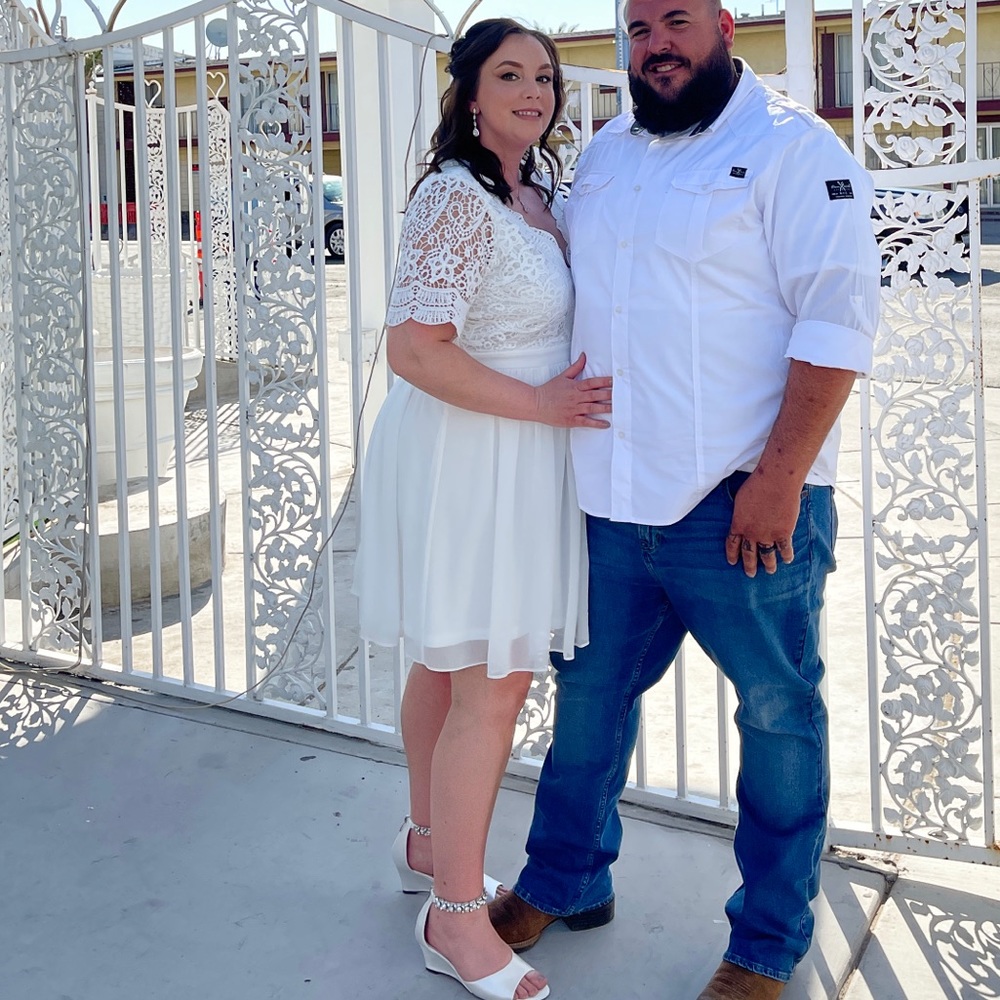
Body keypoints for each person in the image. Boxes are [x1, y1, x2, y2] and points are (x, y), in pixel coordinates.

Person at [488, 1, 881, 997]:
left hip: (738, 505)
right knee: (586, 703)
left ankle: (764, 942)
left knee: (778, 715)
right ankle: (565, 879)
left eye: (675, 20)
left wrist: (779, 479)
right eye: (637, 26)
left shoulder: (793, 147)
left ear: (721, 23)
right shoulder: (610, 153)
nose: (654, 42)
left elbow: (836, 322)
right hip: (612, 500)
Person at [352, 18, 613, 1000]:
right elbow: (415, 349)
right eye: (509, 74)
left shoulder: (535, 194)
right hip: (475, 454)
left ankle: (428, 843)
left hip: (517, 451)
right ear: (467, 93)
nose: (533, 91)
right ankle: (456, 921)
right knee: (492, 682)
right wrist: (542, 404)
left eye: (543, 76)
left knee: (448, 658)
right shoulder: (454, 197)